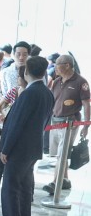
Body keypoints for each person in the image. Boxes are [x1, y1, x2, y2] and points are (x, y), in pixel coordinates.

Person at [0, 56, 55, 216]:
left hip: (19, 148)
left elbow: (17, 123)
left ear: (26, 72)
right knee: (24, 187)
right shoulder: (46, 92)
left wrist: (6, 148)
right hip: (32, 146)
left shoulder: (29, 93)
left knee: (11, 186)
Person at [43, 54, 90, 195]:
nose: (54, 67)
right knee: (58, 154)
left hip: (70, 123)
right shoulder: (57, 81)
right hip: (55, 122)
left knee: (61, 154)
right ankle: (65, 180)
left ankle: (55, 182)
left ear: (67, 65)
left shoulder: (81, 82)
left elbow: (86, 104)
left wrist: (86, 125)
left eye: (57, 64)